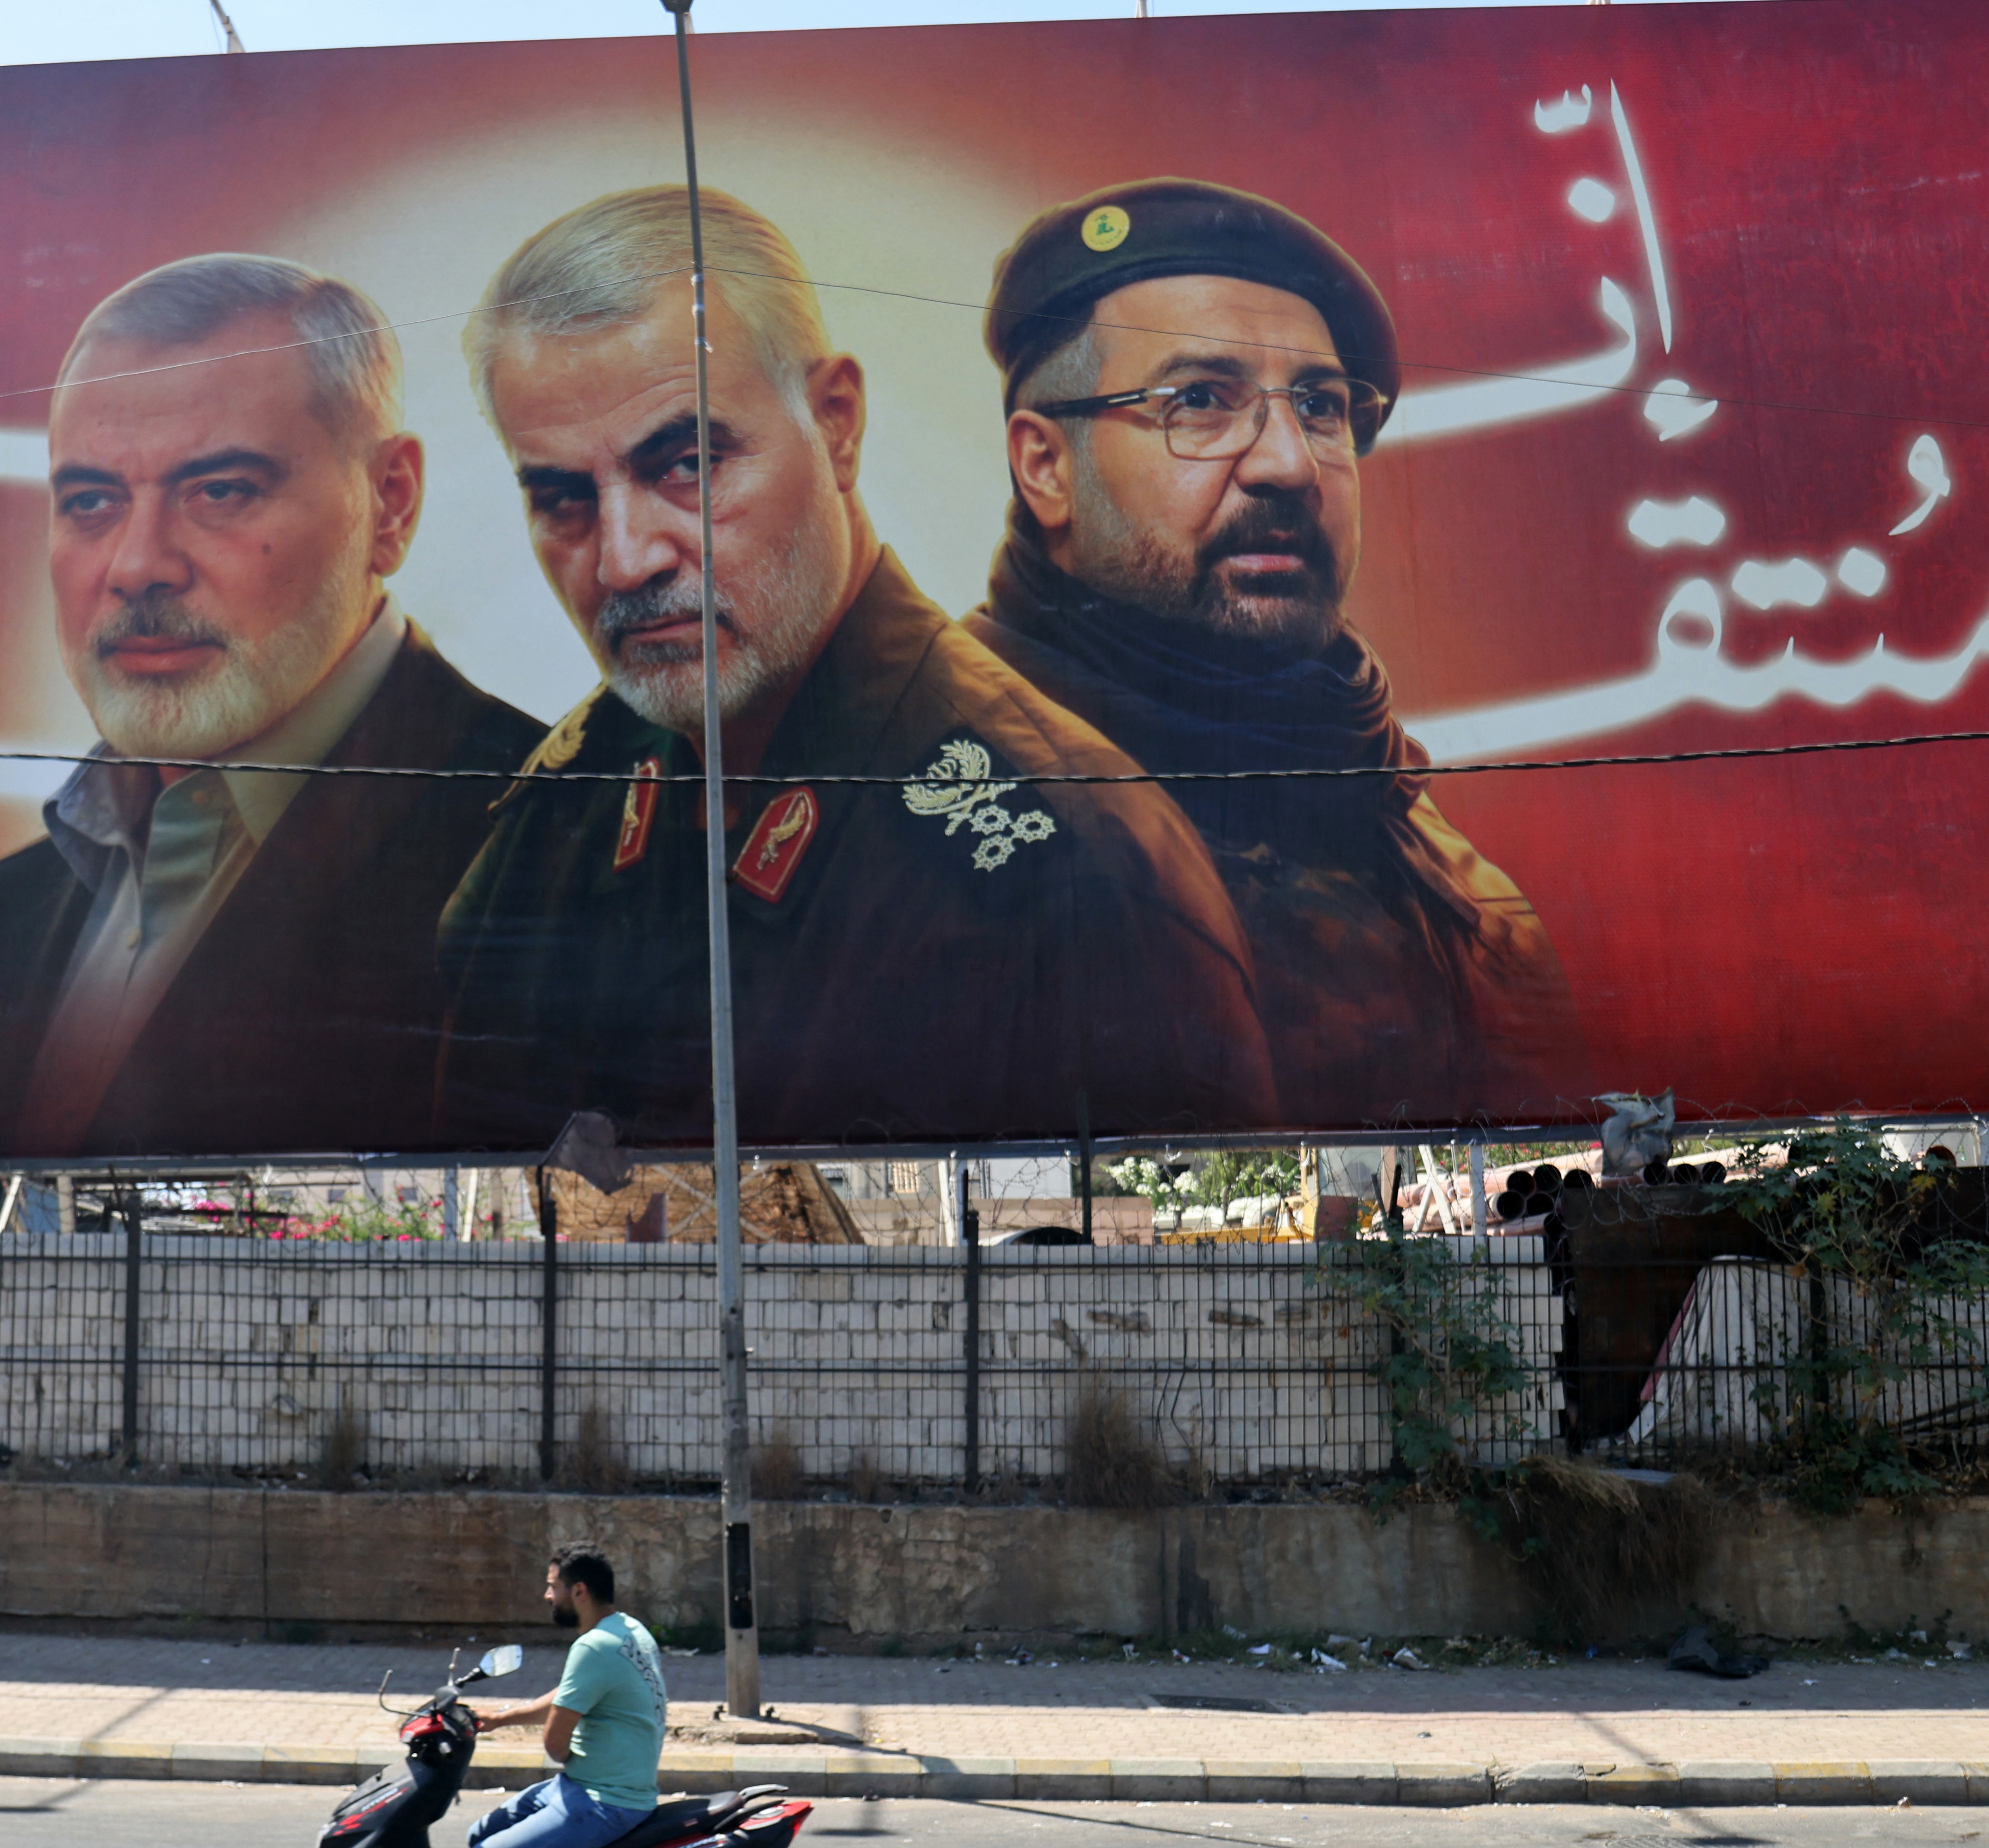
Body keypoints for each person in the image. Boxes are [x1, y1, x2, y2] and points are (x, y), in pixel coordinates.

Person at [432, 187, 1275, 1149]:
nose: (625, 559)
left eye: (688, 463)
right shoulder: (548, 824)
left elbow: (1172, 1277)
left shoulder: (1077, 868)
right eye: (563, 497)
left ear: (836, 424)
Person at [0, 255, 545, 1155]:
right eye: (91, 500)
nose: (138, 564)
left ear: (391, 504)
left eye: (220, 490)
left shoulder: (558, 853)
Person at [963, 178, 1581, 1127]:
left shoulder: (1454, 886)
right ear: (1046, 465)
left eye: (1321, 405)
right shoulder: (936, 806)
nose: (1288, 463)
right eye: (1201, 401)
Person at [455, 1543, 669, 1848]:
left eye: (552, 1586)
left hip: (605, 1802)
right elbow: (572, 1697)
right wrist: (499, 1720)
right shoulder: (629, 1630)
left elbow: (556, 1743)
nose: (546, 1595)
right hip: (590, 1787)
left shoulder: (593, 1647)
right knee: (483, 1833)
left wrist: (570, 1747)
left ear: (579, 1592)